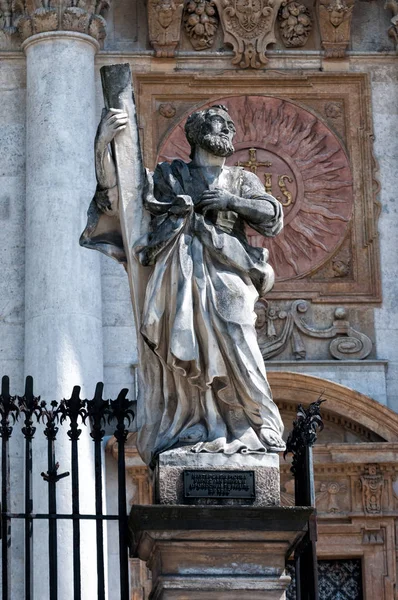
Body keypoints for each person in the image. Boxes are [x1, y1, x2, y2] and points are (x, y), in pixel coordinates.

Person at [81, 104, 286, 465]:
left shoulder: (240, 178)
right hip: (178, 269)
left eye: (229, 126)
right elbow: (122, 198)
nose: (226, 131)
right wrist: (103, 146)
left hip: (228, 267)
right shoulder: (169, 175)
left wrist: (230, 202)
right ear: (195, 133)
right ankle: (197, 424)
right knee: (184, 341)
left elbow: (272, 217)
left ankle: (259, 420)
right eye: (217, 123)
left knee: (239, 334)